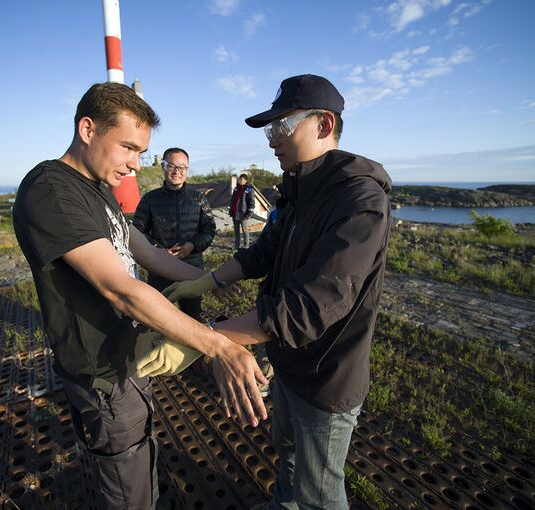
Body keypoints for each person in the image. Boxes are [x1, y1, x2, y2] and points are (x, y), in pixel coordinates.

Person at [12, 82, 267, 510]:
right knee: (126, 486)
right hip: (100, 370)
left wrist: (211, 280)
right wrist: (216, 345)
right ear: (88, 128)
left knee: (138, 460)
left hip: (130, 354)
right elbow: (122, 289)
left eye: (141, 153)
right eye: (128, 147)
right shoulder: (50, 190)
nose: (135, 164)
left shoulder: (97, 188)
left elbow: (144, 252)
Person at [163, 74, 392, 510]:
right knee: (286, 462)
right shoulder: (299, 187)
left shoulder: (358, 201)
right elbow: (263, 253)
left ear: (323, 125)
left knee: (319, 493)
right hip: (286, 362)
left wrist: (207, 337)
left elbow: (305, 309)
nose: (272, 141)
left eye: (280, 127)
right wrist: (205, 280)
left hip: (326, 375)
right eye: (270, 130)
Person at [132, 147, 216, 321]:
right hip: (159, 269)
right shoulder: (150, 199)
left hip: (192, 268)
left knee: (192, 319)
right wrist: (158, 250)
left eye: (182, 167)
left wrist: (192, 245)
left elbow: (209, 229)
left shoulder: (198, 198)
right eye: (171, 166)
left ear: (187, 170)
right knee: (156, 319)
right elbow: (137, 230)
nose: (177, 171)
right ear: (163, 167)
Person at [229, 173, 255, 250]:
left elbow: (251, 202)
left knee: (244, 230)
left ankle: (246, 246)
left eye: (241, 179)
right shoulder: (236, 188)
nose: (239, 180)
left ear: (245, 180)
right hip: (235, 213)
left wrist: (249, 214)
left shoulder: (249, 189)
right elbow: (233, 200)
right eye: (239, 179)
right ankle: (237, 246)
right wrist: (231, 210)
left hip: (243, 214)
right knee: (236, 231)